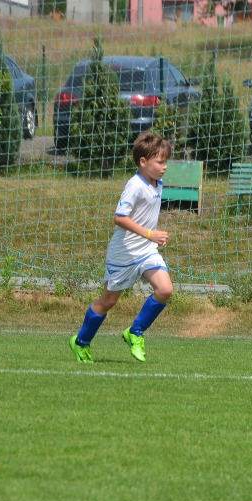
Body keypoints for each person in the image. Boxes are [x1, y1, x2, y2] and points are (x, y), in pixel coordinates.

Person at [69, 132, 174, 364]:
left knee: (165, 289)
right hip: (124, 253)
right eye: (159, 162)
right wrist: (150, 234)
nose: (164, 167)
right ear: (143, 162)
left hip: (146, 250)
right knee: (108, 301)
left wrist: (152, 238)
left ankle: (135, 332)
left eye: (165, 161)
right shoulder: (134, 186)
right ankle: (81, 341)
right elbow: (120, 218)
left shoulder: (158, 183)